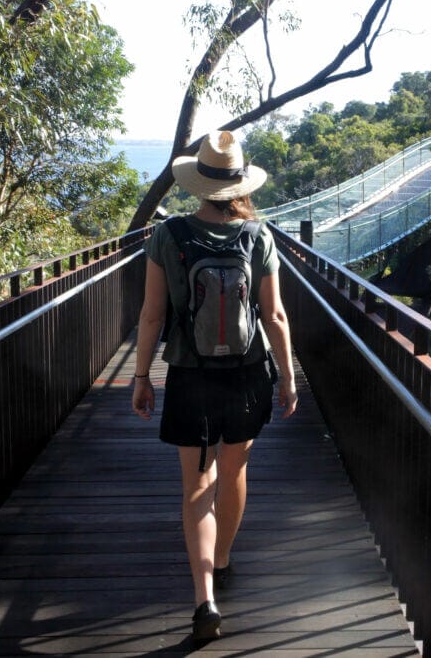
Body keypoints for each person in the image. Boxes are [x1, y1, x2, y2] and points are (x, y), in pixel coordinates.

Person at [131, 130, 298, 644]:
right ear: (240, 183)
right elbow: (273, 315)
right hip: (247, 375)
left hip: (189, 374)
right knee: (234, 469)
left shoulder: (169, 235)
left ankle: (204, 596)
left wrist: (140, 377)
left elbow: (152, 315)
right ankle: (222, 558)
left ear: (199, 182)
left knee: (195, 485)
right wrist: (289, 378)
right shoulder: (259, 236)